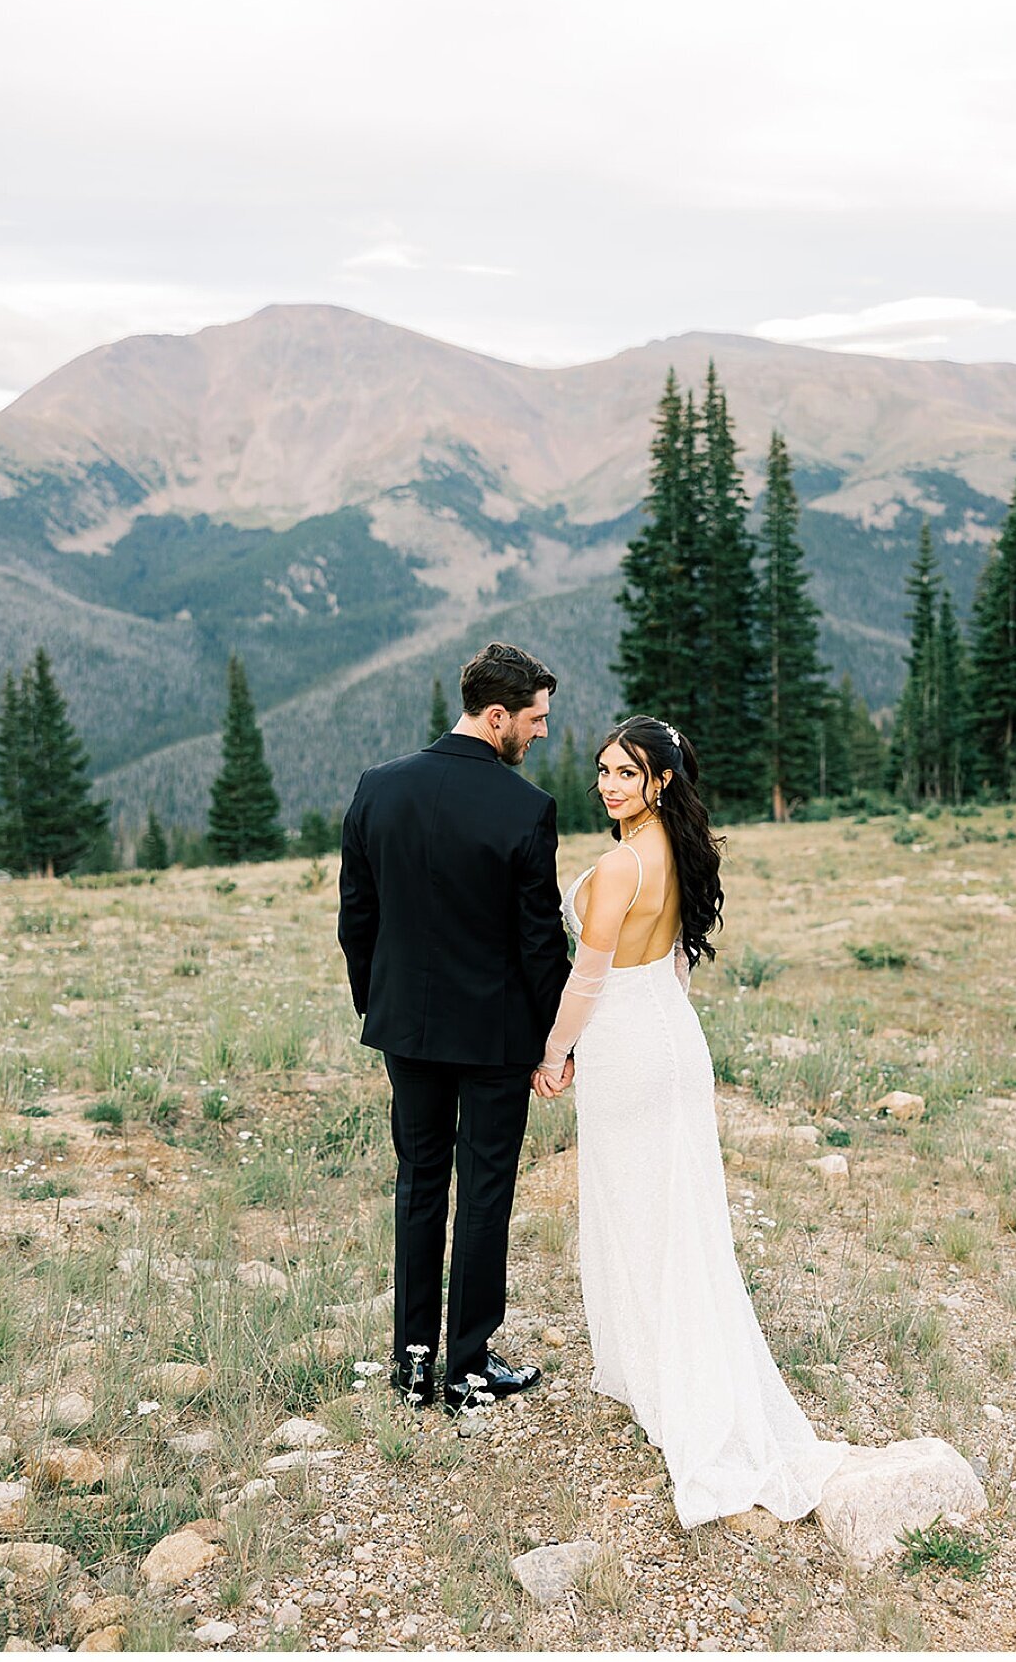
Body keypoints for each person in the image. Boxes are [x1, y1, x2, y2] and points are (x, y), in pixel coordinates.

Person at [532, 715, 849, 1529]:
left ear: (660, 782)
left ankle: (667, 1384)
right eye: (603, 769)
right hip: (673, 1033)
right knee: (681, 1217)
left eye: (627, 774)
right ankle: (669, 1372)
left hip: (627, 1048)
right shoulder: (680, 853)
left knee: (640, 1216)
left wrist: (555, 1053)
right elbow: (674, 957)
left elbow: (587, 978)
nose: (608, 784)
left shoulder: (618, 866)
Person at [338, 641, 572, 1412]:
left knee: (418, 1180)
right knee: (484, 1191)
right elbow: (540, 944)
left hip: (405, 1026)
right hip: (495, 1035)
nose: (540, 734)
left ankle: (411, 1362)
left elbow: (357, 920)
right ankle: (468, 1365)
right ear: (496, 714)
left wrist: (381, 1004)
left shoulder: (378, 788)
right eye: (534, 720)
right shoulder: (524, 809)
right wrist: (556, 1037)